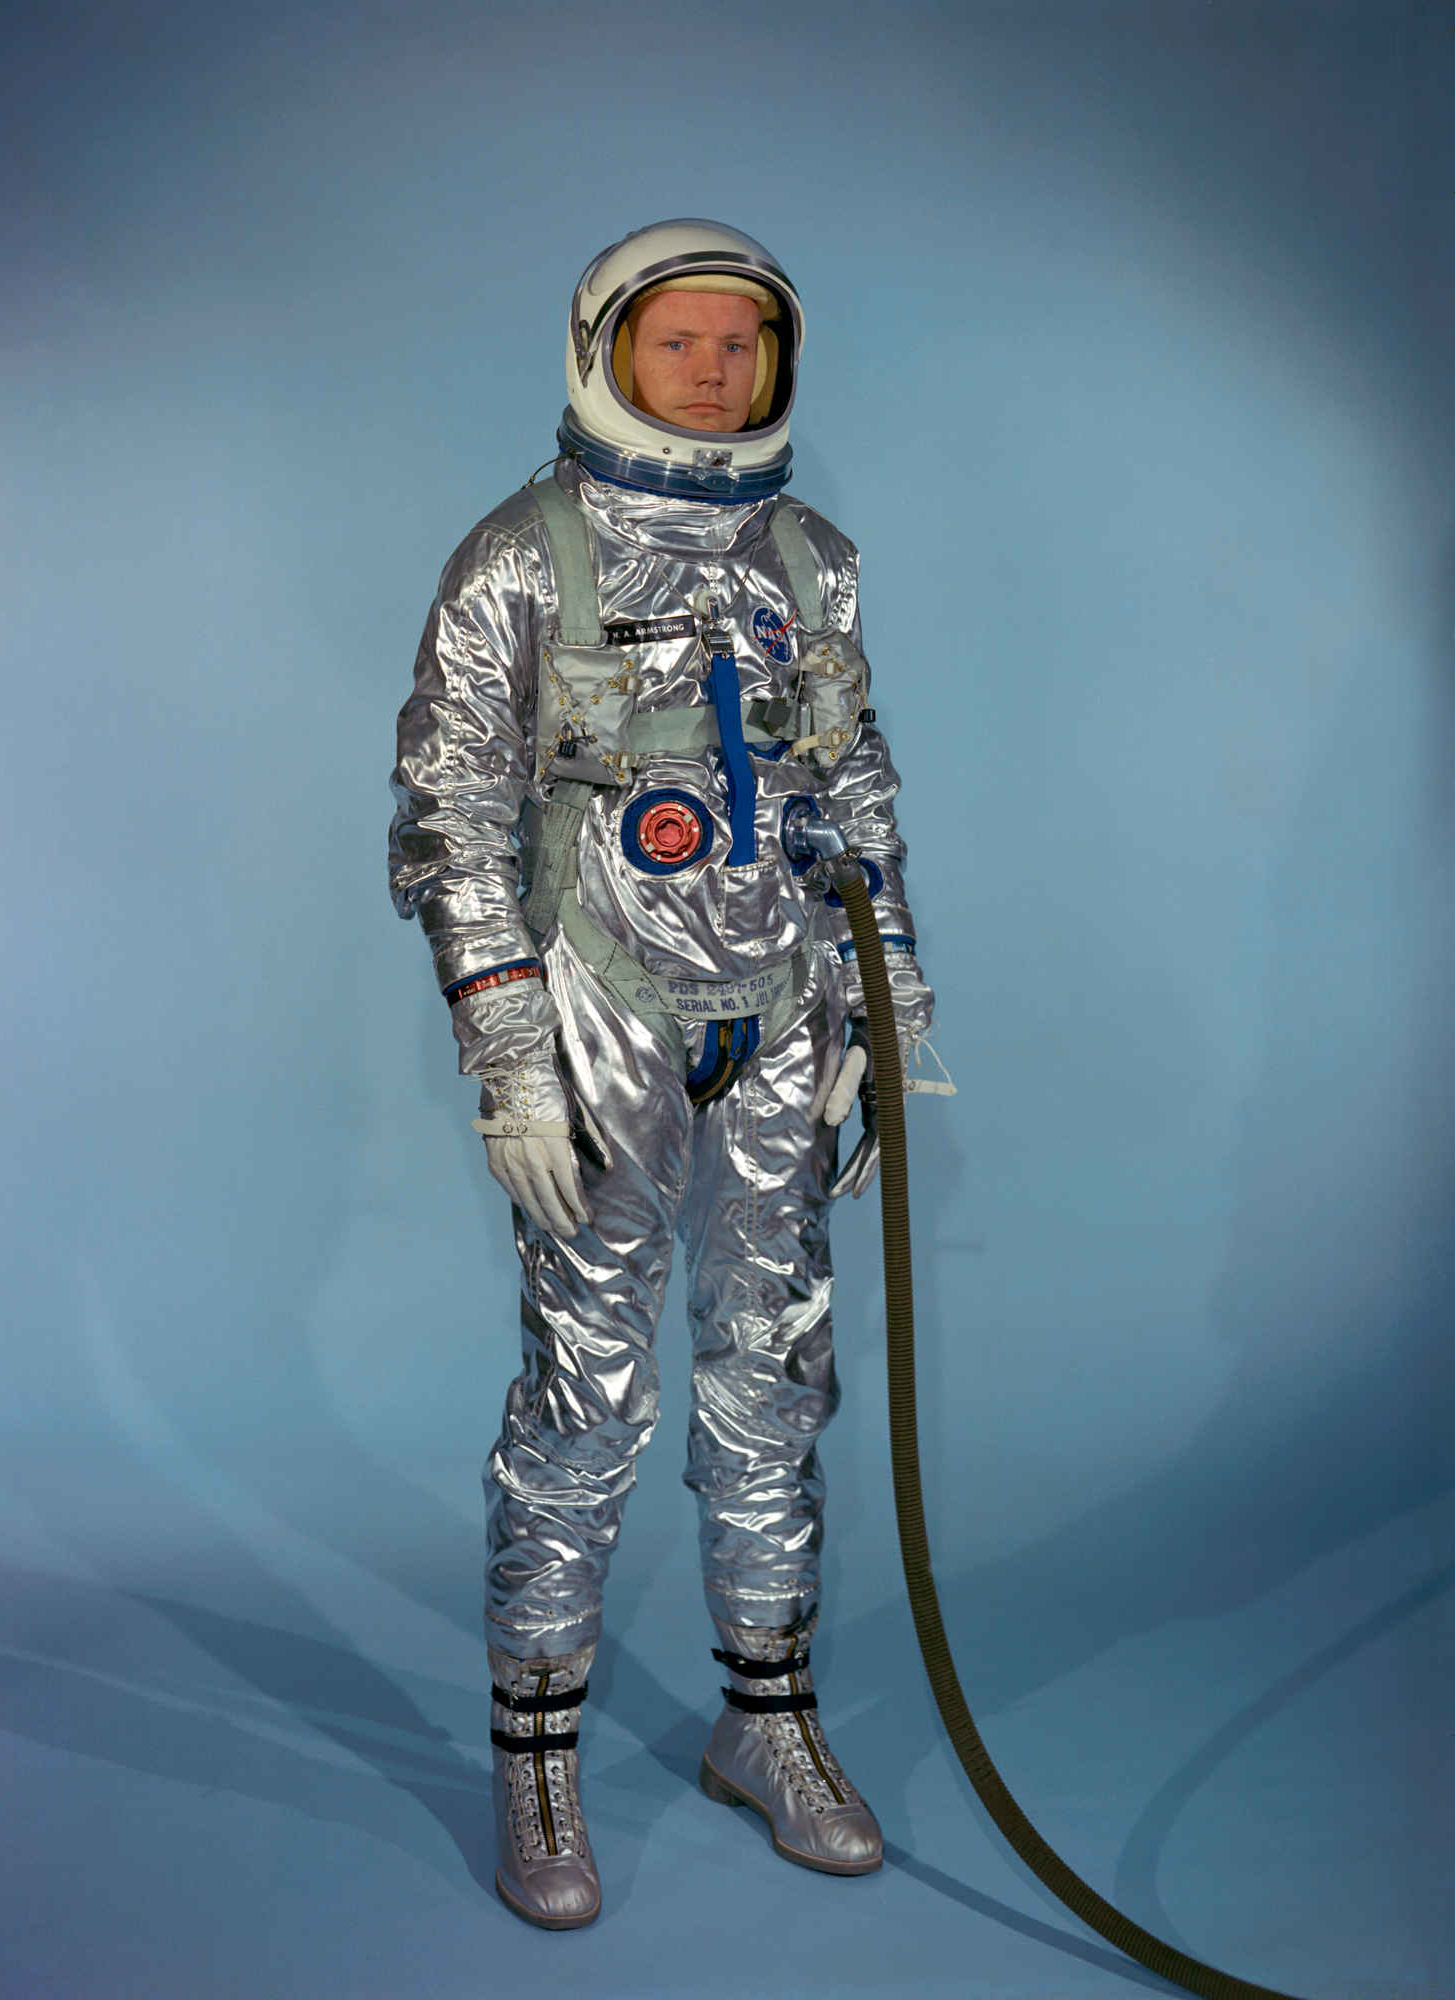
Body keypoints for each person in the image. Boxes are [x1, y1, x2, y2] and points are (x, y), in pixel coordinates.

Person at [389, 218, 936, 1930]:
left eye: (739, 344)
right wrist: (510, 1056)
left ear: (778, 362)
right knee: (587, 1393)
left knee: (773, 1375)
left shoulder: (812, 561)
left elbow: (852, 786)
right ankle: (536, 1751)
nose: (710, 373)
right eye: (676, 342)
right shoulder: (517, 560)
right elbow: (449, 818)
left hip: (780, 1006)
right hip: (596, 1010)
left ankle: (764, 1720)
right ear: (606, 350)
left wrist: (885, 1006)